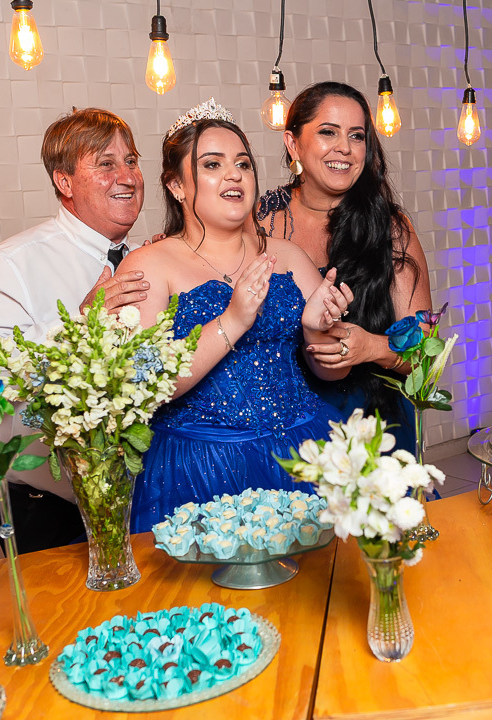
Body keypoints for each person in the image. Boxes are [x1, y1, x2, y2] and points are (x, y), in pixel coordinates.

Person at [118, 100, 352, 534]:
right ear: (176, 185)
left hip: (302, 448)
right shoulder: (148, 265)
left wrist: (318, 332)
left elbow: (332, 371)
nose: (234, 175)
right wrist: (234, 319)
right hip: (200, 464)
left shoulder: (287, 256)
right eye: (213, 164)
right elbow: (144, 387)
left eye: (243, 164)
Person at [0, 108, 152, 552]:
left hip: (143, 497)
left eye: (131, 161)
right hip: (54, 515)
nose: (127, 176)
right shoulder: (13, 261)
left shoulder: (151, 258)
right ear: (65, 182)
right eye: (106, 164)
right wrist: (77, 323)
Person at [257, 81, 433, 455]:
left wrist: (372, 347)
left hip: (371, 427)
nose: (345, 148)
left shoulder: (390, 228)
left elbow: (424, 356)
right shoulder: (261, 221)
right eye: (328, 132)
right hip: (280, 425)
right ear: (293, 144)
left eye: (356, 135)